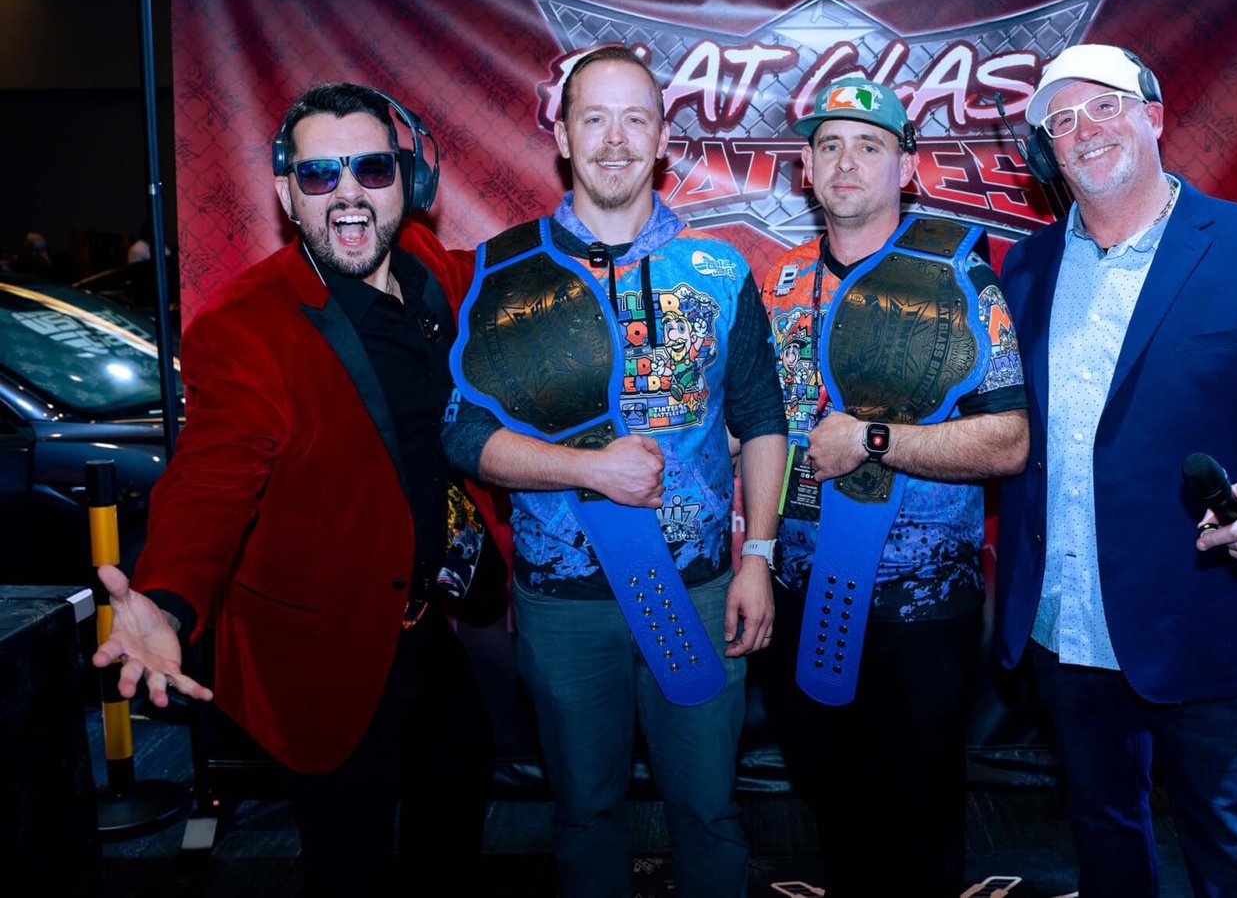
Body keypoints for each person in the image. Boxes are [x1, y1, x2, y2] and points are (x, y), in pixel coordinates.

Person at [92, 82, 502, 892]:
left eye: (372, 168)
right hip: (326, 649)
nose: (348, 193)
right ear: (287, 194)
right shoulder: (245, 327)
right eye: (320, 175)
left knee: (460, 780)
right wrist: (166, 598)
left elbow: (500, 275)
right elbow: (211, 476)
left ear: (408, 182)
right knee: (347, 856)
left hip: (424, 621)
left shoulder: (427, 269)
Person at [994, 44, 1237, 897]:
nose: (1084, 130)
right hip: (1064, 620)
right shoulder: (1028, 267)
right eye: (1061, 121)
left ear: (1153, 117)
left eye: (1104, 106)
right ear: (1048, 152)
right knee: (1104, 841)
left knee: (1233, 857)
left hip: (1208, 616)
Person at [441, 45, 787, 898]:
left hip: (700, 590)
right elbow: (463, 434)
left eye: (636, 119)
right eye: (593, 118)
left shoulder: (720, 271)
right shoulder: (502, 271)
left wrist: (758, 556)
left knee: (710, 814)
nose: (615, 139)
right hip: (564, 605)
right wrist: (588, 469)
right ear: (563, 136)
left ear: (663, 139)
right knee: (585, 817)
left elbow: (763, 420)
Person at [758, 75, 1028, 897]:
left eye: (869, 145)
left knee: (920, 831)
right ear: (806, 167)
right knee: (835, 818)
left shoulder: (959, 276)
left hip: (920, 616)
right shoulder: (779, 281)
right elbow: (755, 430)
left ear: (905, 166)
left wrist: (875, 439)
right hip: (800, 598)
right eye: (830, 145)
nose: (847, 161)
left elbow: (1010, 441)